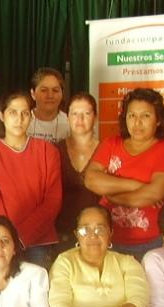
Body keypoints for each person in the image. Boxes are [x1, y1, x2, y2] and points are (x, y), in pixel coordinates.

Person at [84, 88, 164, 261]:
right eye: (131, 115)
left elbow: (153, 194)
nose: (137, 122)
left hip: (152, 243)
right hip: (108, 240)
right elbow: (91, 180)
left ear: (158, 120)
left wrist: (111, 195)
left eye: (145, 116)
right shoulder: (111, 144)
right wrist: (136, 185)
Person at [0, 91, 62, 268]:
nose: (19, 119)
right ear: (2, 116)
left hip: (40, 242)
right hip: (3, 245)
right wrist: (9, 239)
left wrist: (22, 237)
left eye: (25, 113)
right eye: (13, 113)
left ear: (31, 116)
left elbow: (53, 201)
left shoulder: (48, 152)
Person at [55, 92, 100, 250]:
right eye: (74, 114)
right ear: (67, 117)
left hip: (97, 232)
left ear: (95, 117)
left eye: (86, 113)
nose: (80, 119)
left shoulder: (107, 150)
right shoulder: (55, 151)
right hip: (62, 232)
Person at [27, 67, 69, 143]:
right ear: (33, 94)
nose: (50, 95)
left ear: (62, 94)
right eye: (44, 90)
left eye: (55, 90)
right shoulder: (23, 121)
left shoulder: (70, 123)